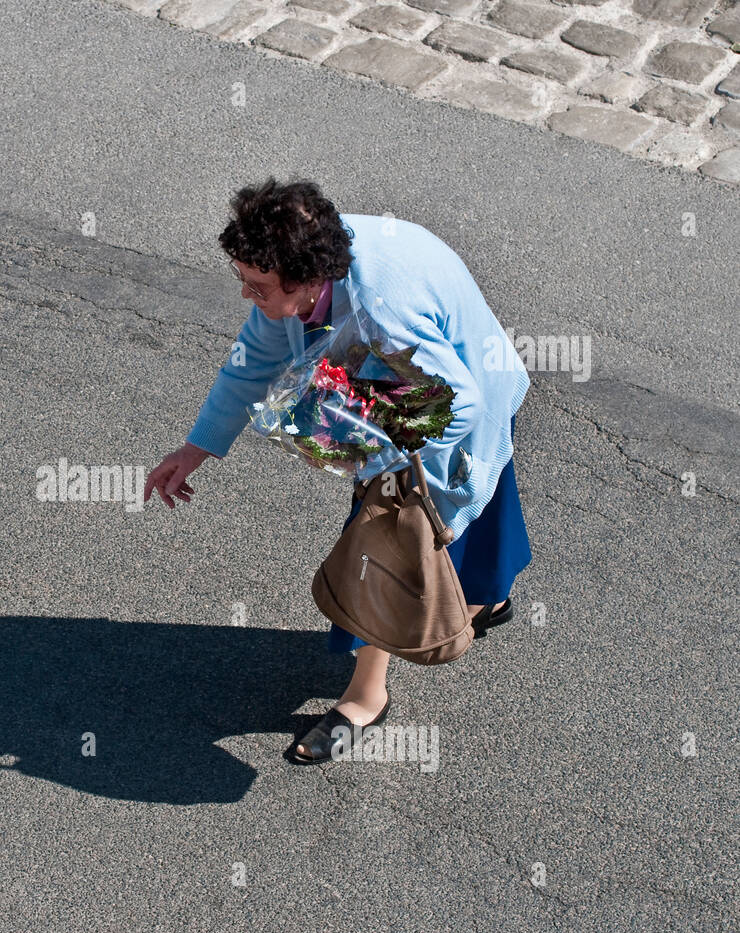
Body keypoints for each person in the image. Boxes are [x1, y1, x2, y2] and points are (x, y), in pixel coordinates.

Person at [143, 178, 533, 764]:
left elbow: (461, 403)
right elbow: (252, 361)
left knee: (387, 543)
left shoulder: (383, 308)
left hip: (451, 398)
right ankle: (488, 596)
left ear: (307, 281)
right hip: (424, 377)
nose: (248, 295)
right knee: (476, 506)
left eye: (258, 286)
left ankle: (365, 697)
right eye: (243, 279)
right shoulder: (301, 255)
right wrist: (195, 448)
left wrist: (375, 459)